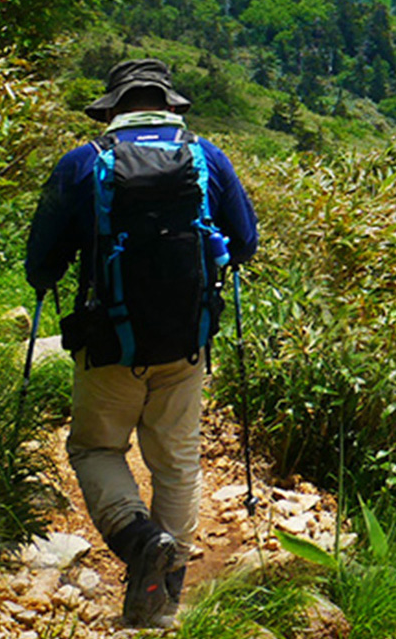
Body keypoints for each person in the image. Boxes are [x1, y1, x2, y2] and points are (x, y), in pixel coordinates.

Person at [24, 59, 258, 628]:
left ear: (112, 109)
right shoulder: (208, 159)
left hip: (108, 346)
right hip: (185, 344)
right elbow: (246, 244)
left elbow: (41, 266)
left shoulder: (84, 163)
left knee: (96, 450)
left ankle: (138, 541)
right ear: (170, 106)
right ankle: (164, 595)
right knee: (176, 463)